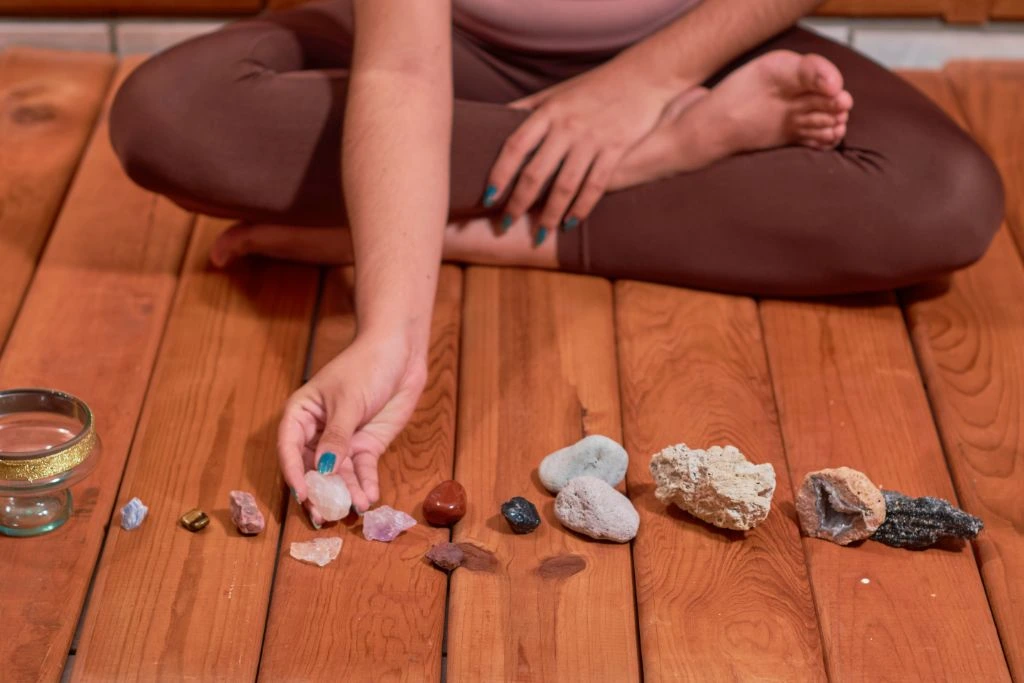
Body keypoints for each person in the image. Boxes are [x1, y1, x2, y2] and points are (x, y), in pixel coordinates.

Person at [108, 0, 1003, 523]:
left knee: (944, 198)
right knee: (173, 114)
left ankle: (426, 220)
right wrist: (391, 333)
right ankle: (662, 156)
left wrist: (640, 84)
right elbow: (403, 73)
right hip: (448, 55)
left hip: (705, 39)